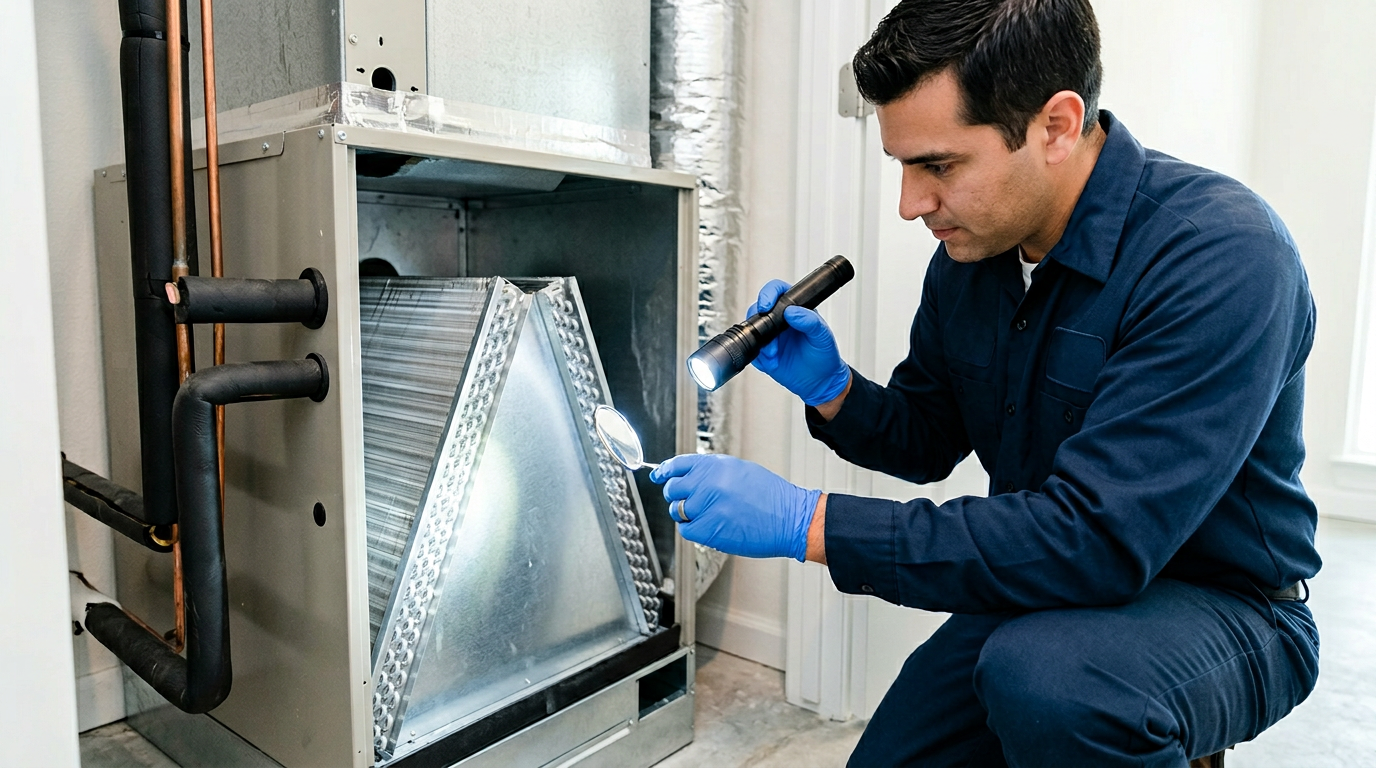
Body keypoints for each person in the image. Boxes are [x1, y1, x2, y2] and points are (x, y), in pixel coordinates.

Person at [649, 1, 1321, 765]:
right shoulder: (973, 258)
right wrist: (833, 389)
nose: (912, 204)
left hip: (1224, 604)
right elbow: (928, 438)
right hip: (1047, 581)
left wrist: (808, 521)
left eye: (938, 165)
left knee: (1049, 682)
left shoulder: (1220, 256)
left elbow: (1094, 537)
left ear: (1057, 126)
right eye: (903, 166)